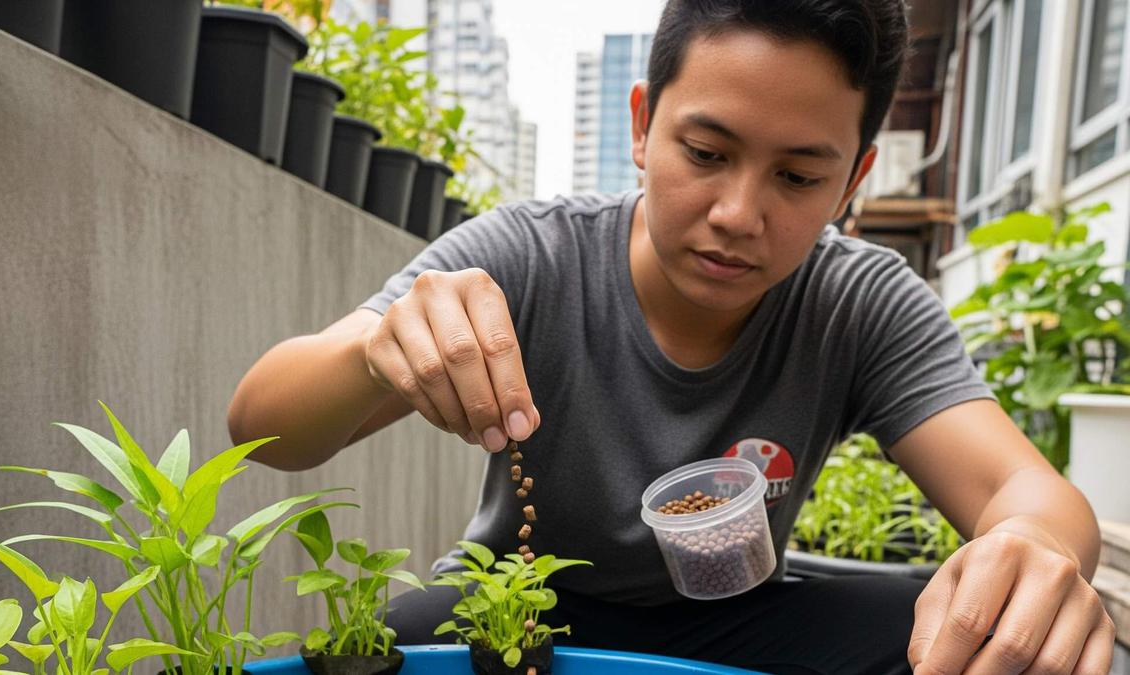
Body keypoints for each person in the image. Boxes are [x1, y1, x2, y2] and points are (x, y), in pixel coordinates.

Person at [227, 1, 1116, 672]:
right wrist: (373, 349)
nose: (739, 214)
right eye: (706, 153)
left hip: (740, 612)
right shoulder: (528, 256)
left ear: (854, 179)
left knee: (987, 637)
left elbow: (1022, 487)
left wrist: (1030, 551)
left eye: (800, 175)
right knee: (381, 646)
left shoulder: (859, 300)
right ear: (644, 123)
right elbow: (260, 422)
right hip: (515, 602)